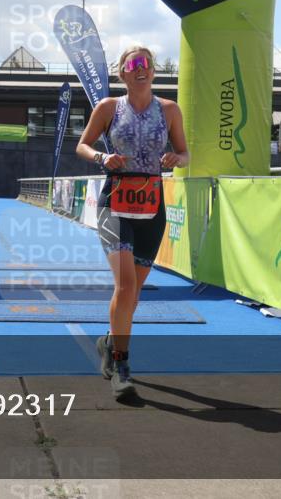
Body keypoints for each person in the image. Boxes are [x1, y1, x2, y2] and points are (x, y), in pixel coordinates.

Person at [76, 46, 188, 401]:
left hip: (152, 205)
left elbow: (186, 153)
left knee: (134, 293)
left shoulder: (169, 110)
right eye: (133, 64)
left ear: (154, 72)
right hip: (116, 202)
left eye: (147, 64)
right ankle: (122, 366)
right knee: (125, 287)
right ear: (122, 73)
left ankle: (109, 342)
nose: (141, 69)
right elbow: (82, 145)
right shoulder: (108, 108)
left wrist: (176, 158)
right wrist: (102, 156)